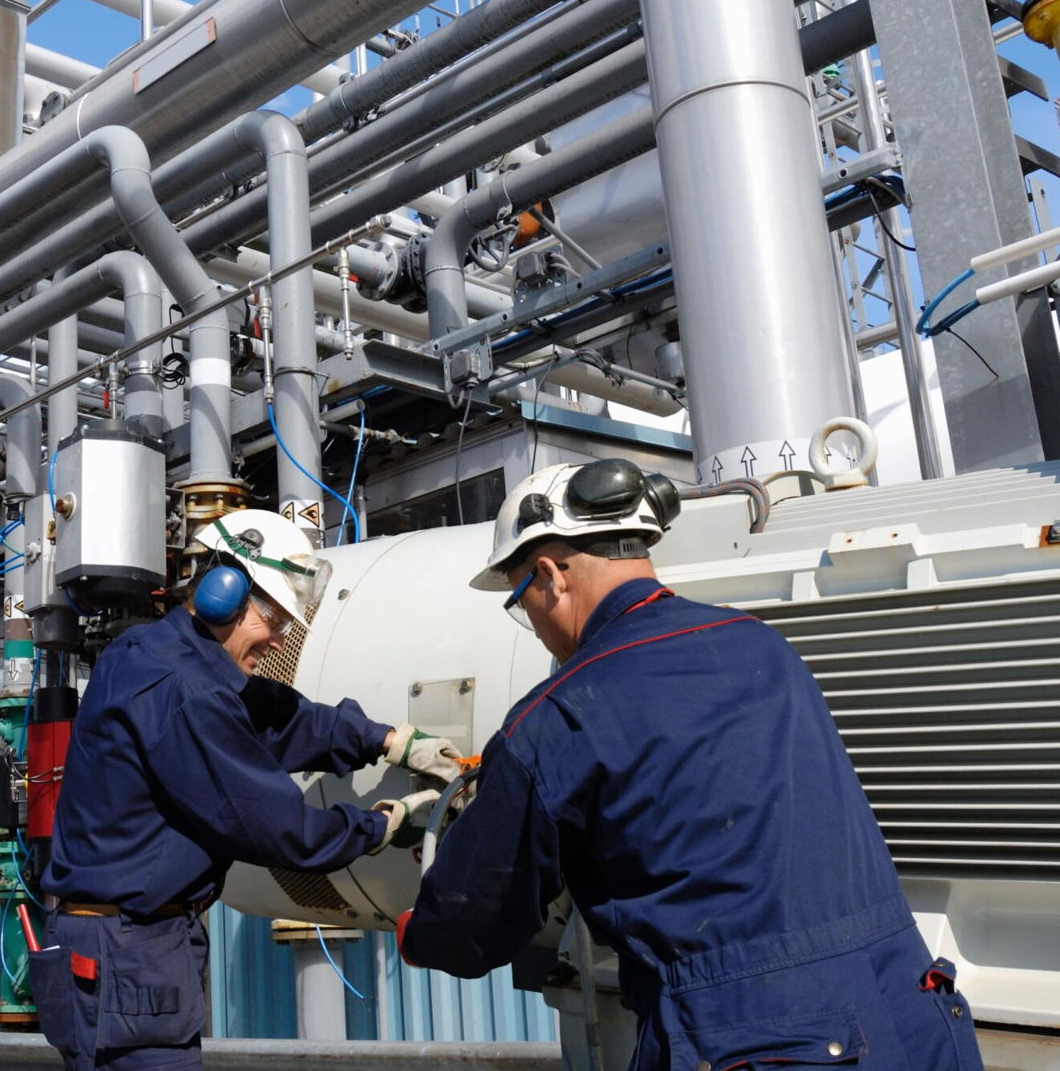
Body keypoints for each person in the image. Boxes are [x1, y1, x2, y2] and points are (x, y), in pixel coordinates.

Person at [397, 459, 983, 1071]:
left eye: (521, 601)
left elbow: (476, 924)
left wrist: (419, 933)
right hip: (915, 1013)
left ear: (549, 575)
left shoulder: (557, 718)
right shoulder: (764, 645)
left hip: (758, 1040)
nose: (536, 625)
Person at [36, 509, 461, 1071]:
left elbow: (276, 716)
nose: (281, 637)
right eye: (274, 618)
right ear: (222, 592)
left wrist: (386, 739)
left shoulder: (160, 655)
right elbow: (279, 829)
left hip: (132, 948)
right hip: (127, 955)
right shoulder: (183, 689)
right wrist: (383, 825)